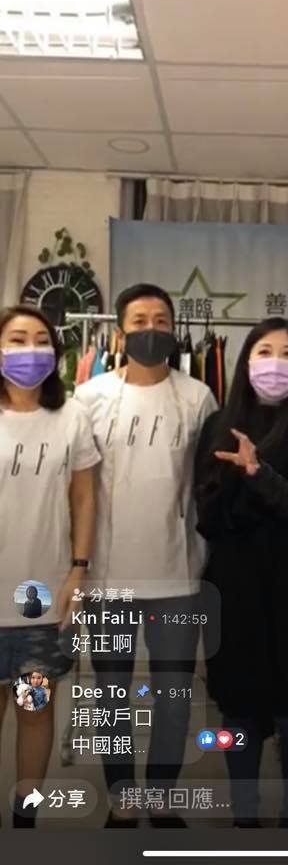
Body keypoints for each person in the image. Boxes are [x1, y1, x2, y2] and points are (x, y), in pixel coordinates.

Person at [75, 283, 217, 828]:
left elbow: (208, 483)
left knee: (174, 696)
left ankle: (160, 794)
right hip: (107, 574)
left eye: (161, 320)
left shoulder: (197, 398)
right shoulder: (90, 398)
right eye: (139, 320)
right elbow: (78, 488)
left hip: (177, 572)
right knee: (110, 694)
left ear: (173, 329)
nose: (151, 329)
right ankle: (121, 797)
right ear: (120, 332)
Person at [194, 317, 288, 828]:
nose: (276, 362)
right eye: (265, 351)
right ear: (246, 361)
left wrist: (258, 474)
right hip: (233, 587)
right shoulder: (218, 424)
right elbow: (207, 518)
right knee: (238, 709)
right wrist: (234, 482)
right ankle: (245, 817)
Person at [0, 305, 100, 828]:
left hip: (42, 603)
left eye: (41, 340)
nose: (30, 350)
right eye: (17, 339)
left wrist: (78, 569)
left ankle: (26, 817)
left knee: (35, 712)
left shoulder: (72, 417)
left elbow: (84, 496)